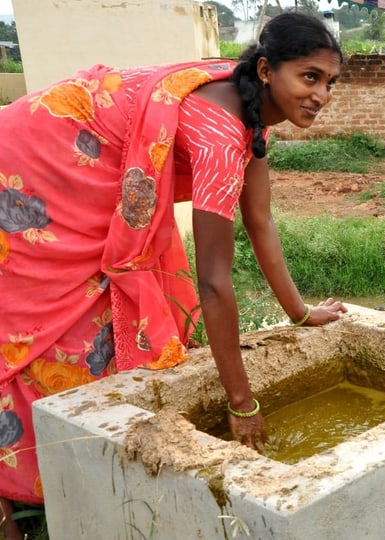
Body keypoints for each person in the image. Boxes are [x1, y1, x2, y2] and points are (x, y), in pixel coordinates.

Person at [0, 11, 347, 540]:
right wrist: (242, 404)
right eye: (309, 77)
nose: (321, 95)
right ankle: (17, 496)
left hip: (79, 149)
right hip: (44, 153)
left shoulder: (249, 109)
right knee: (44, 314)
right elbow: (214, 281)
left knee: (113, 304)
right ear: (265, 70)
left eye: (329, 82)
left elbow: (260, 221)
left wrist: (300, 314)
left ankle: (54, 481)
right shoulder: (219, 135)